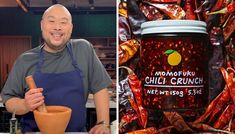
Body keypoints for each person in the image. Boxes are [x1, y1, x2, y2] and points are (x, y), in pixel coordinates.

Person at [1, 4, 112, 134]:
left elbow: (100, 88)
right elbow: (9, 101)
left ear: (70, 28)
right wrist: (25, 105)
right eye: (51, 21)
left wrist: (104, 123)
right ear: (42, 25)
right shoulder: (24, 60)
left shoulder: (83, 49)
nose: (57, 27)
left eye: (63, 22)